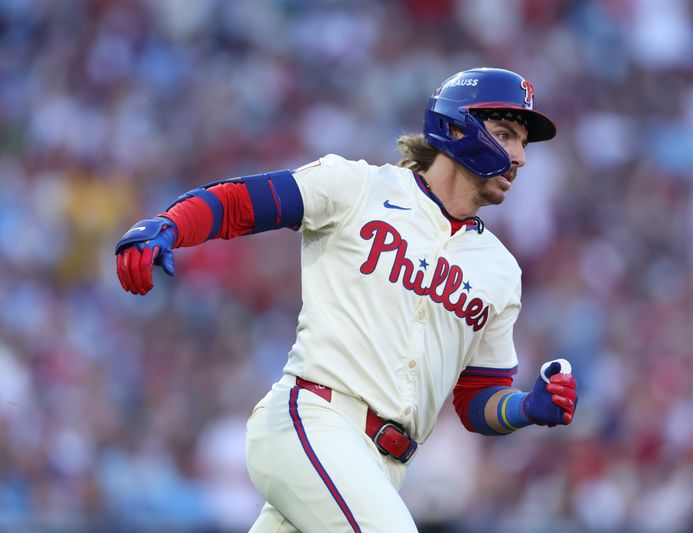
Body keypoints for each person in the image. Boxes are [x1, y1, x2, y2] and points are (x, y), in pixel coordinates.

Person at [115, 67, 579, 533]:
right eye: (505, 134)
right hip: (313, 422)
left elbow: (476, 401)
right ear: (456, 128)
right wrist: (171, 224)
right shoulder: (359, 188)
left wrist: (526, 408)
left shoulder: (499, 270)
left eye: (522, 142)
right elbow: (241, 203)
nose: (519, 156)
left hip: (383, 470)